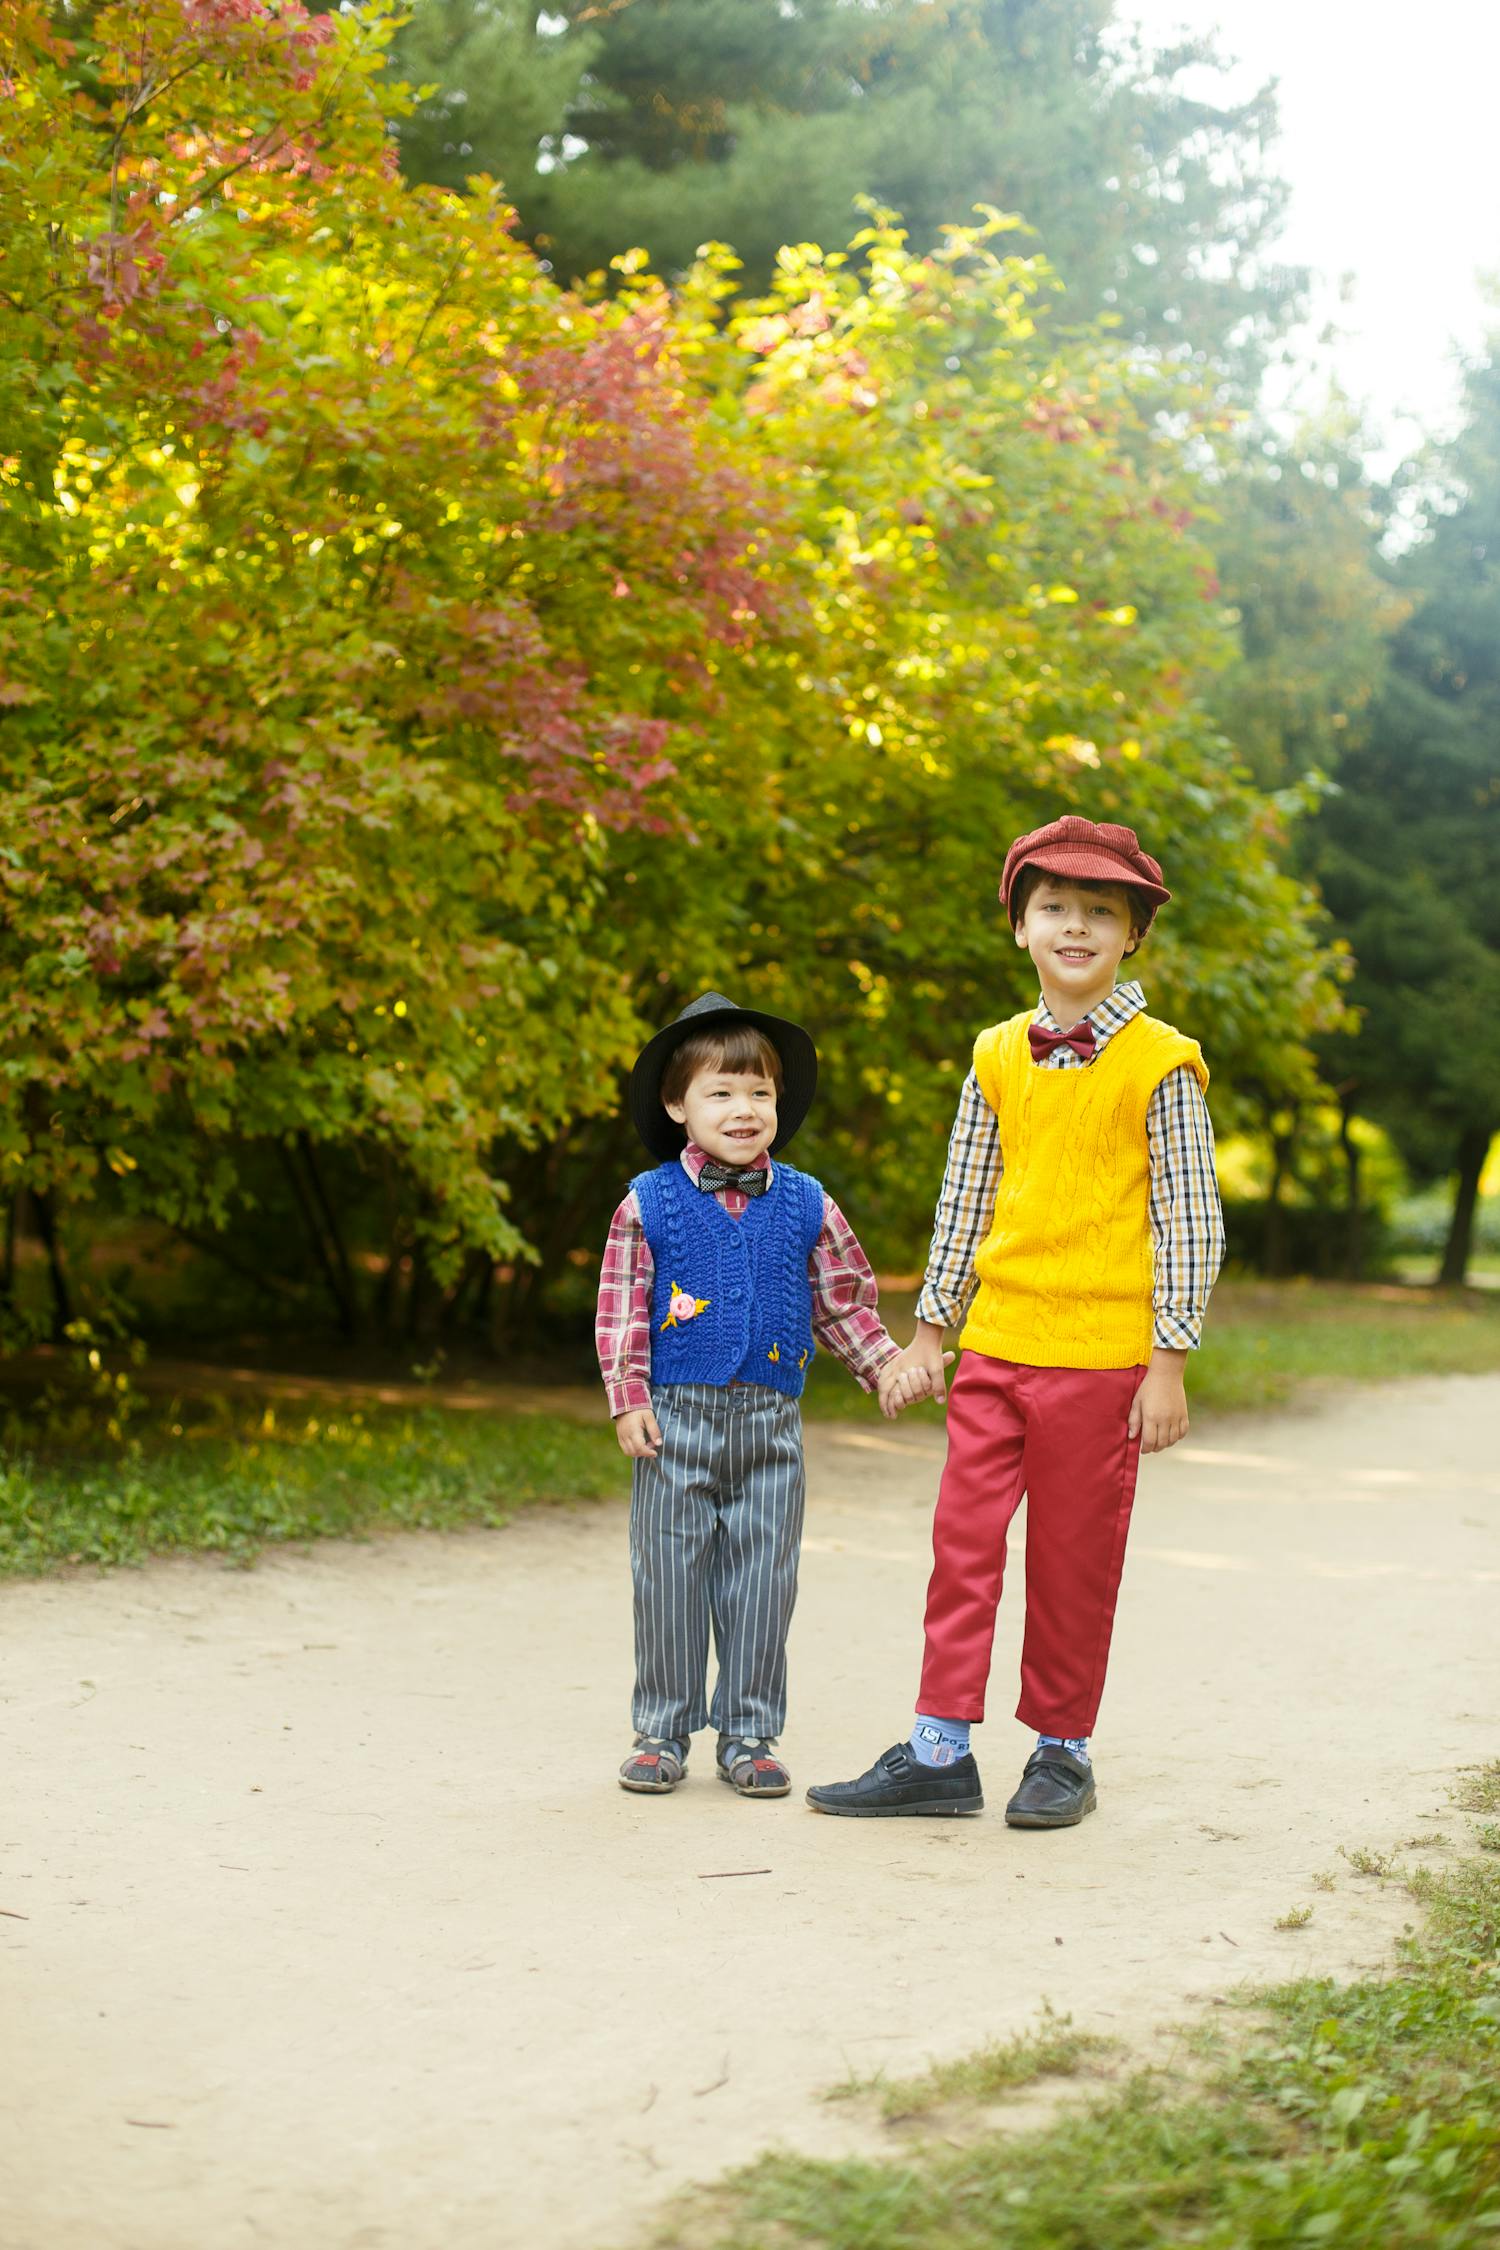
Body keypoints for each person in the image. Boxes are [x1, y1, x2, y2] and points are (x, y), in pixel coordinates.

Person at [806, 815, 1225, 1829]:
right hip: (997, 1345)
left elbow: (1190, 1220)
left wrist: (1168, 1361)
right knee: (963, 1545)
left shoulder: (1161, 1064)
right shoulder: (996, 1055)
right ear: (1020, 928)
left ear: (1133, 937)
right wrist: (932, 1335)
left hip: (1099, 1361)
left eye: (1099, 911)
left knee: (1074, 1557)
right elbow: (965, 1200)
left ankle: (1061, 1751)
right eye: (1053, 908)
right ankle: (940, 1749)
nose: (1073, 926)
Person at [597, 990, 910, 1799]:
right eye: (721, 1092)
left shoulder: (808, 1203)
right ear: (677, 1106)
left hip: (771, 1428)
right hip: (674, 1424)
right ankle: (661, 1732)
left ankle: (749, 1733)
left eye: (760, 1093)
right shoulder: (648, 1203)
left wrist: (886, 1367)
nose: (744, 1109)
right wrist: (629, 1395)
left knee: (764, 1579)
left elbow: (844, 1301)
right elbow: (623, 1305)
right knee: (666, 1576)